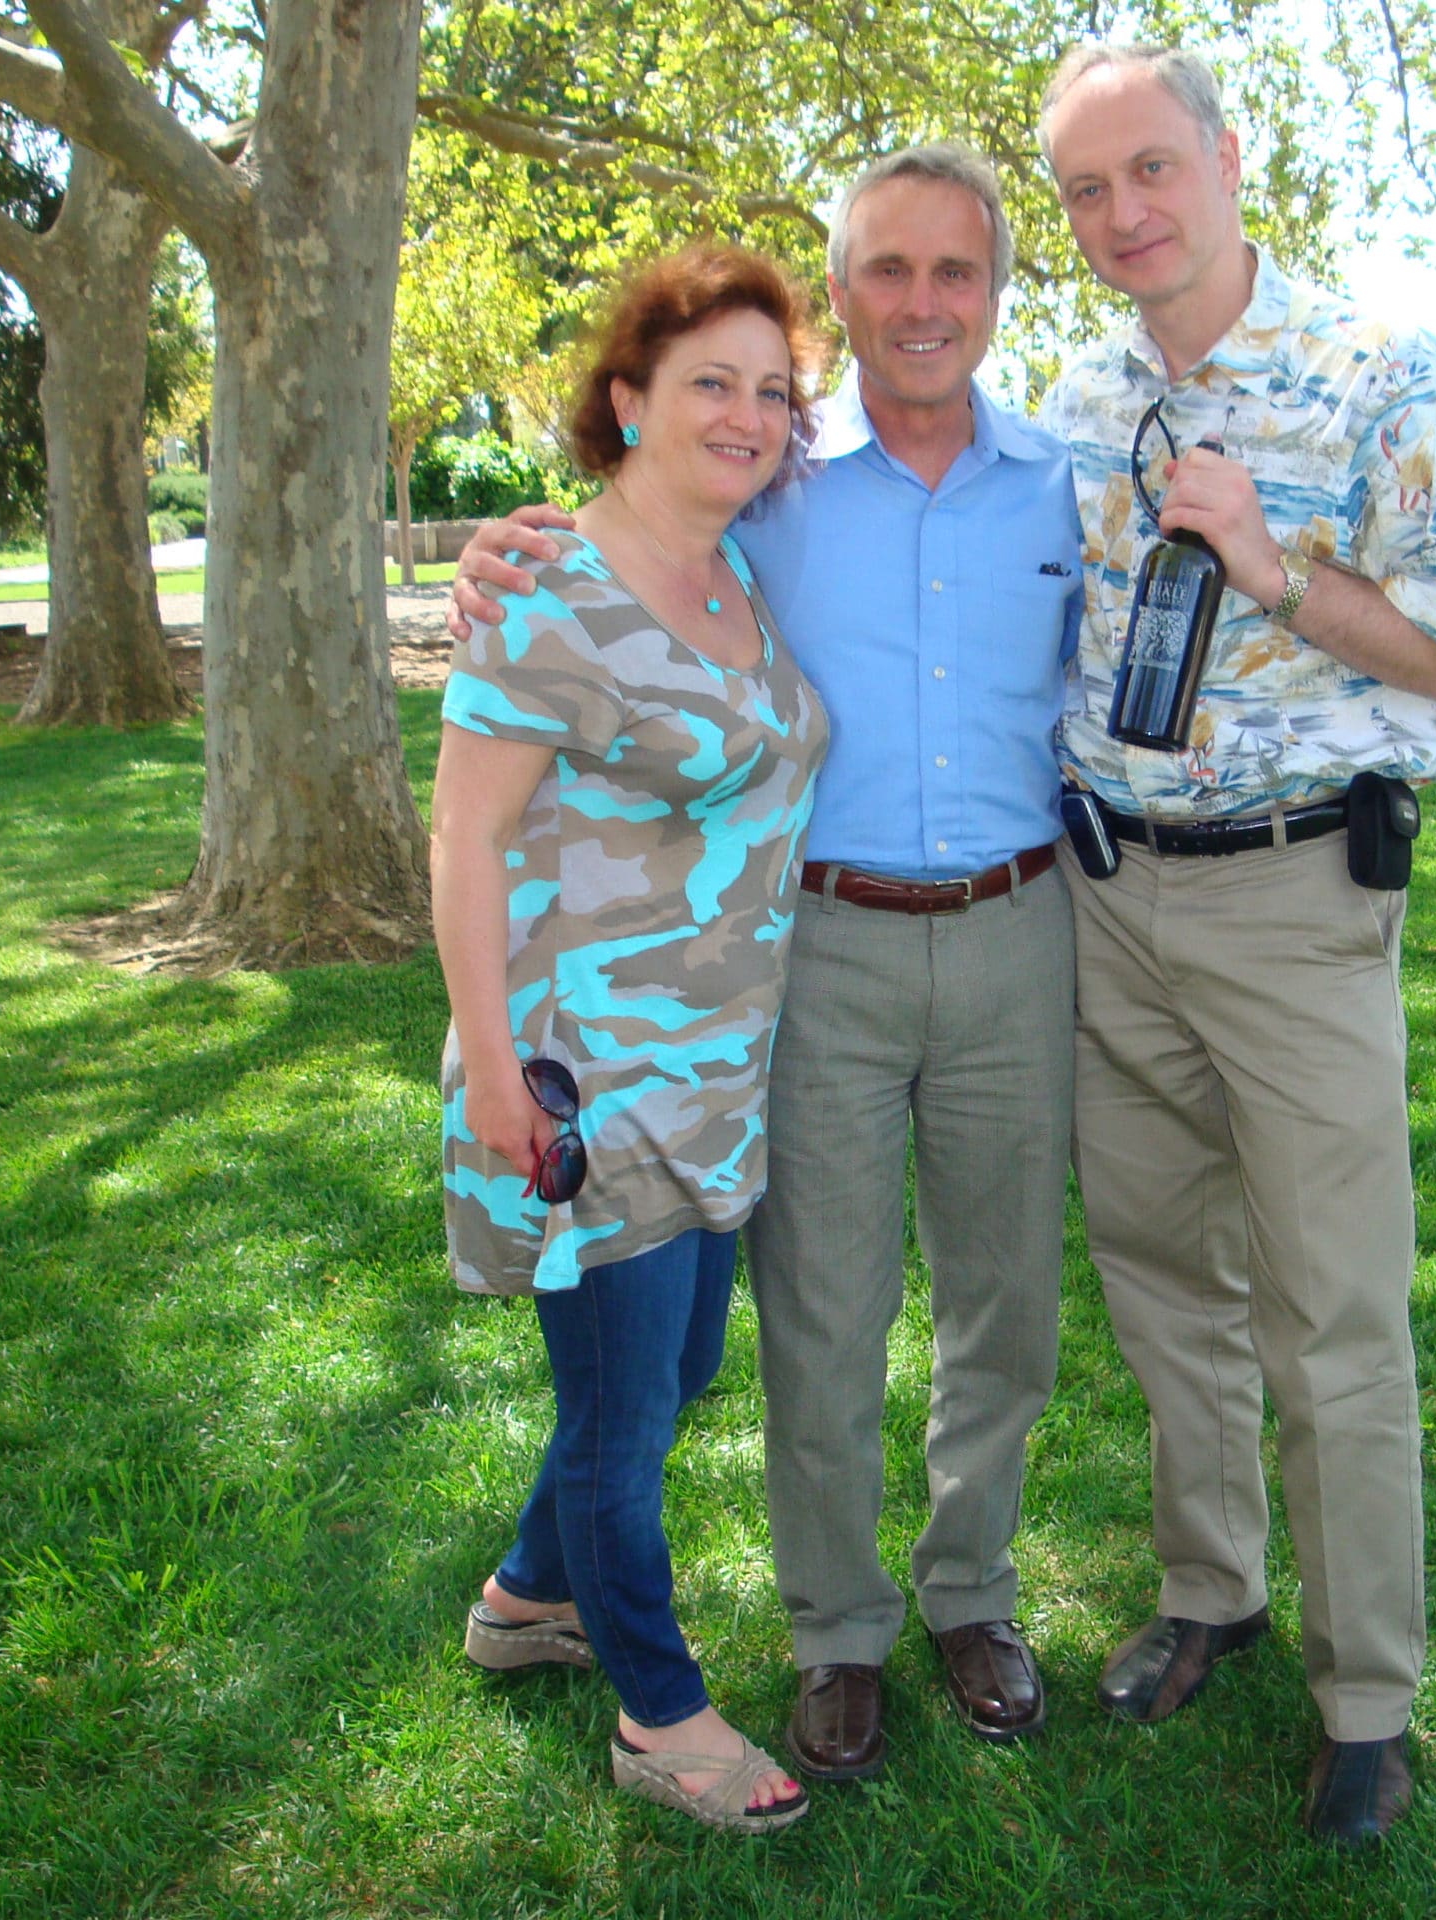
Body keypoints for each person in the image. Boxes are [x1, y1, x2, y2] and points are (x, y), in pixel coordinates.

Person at [450, 145, 1084, 1785]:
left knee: (1005, 1303)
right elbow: (610, 541)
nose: (923, 304)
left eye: (957, 273)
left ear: (998, 295)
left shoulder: (1068, 486)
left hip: (1022, 932)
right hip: (825, 956)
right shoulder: (772, 490)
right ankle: (836, 1633)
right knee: (820, 1315)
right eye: (888, 270)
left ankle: (971, 1590)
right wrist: (502, 552)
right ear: (848, 295)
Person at [1036, 43, 1436, 1850]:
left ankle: (1368, 1693)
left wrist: (1274, 569)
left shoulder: (1378, 376)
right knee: (1165, 1287)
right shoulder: (1073, 397)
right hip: (1107, 895)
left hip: (1299, 905)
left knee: (1334, 1314)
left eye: (1149, 169)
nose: (1123, 215)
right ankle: (1211, 1591)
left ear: (1230, 160)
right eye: (1085, 190)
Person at [433, 244, 830, 1837]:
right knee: (620, 1418)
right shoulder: (545, 591)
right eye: (709, 383)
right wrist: (498, 1078)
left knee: (674, 1368)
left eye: (773, 389)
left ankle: (527, 1597)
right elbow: (462, 842)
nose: (746, 414)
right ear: (629, 401)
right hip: (581, 1077)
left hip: (718, 1065)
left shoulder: (745, 566)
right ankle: (658, 1717)